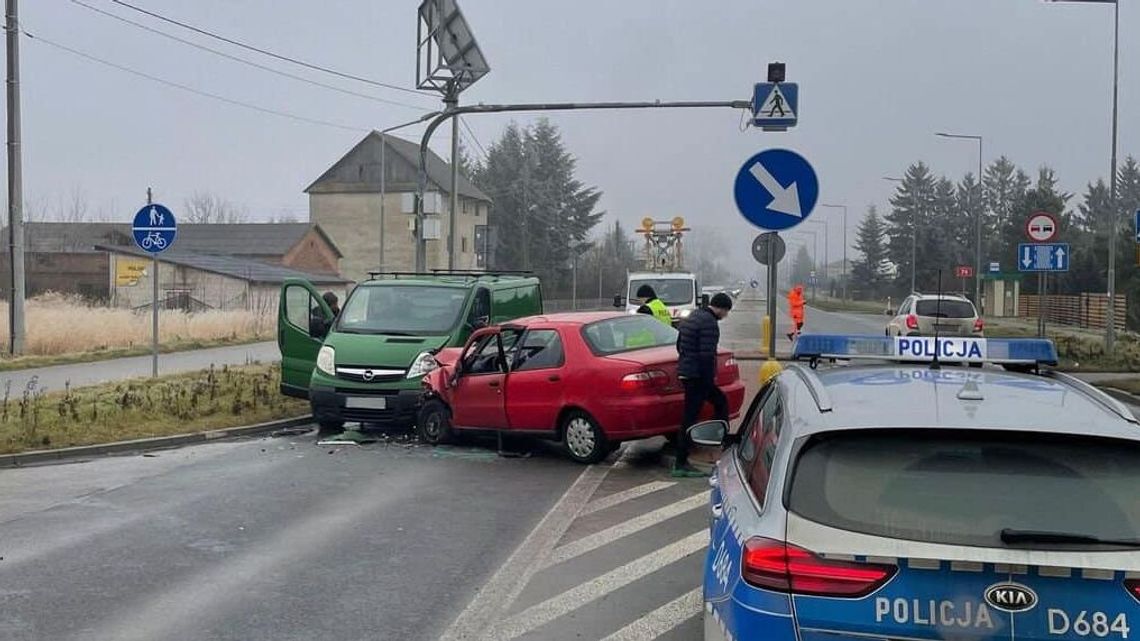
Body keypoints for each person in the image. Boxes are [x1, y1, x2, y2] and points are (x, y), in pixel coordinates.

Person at [673, 292, 733, 478]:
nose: (726, 316)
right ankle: (682, 462)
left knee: (715, 403)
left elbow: (679, 345)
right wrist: (708, 381)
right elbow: (707, 356)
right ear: (721, 308)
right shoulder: (710, 323)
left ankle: (713, 441)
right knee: (693, 415)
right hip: (698, 376)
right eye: (726, 312)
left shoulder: (694, 316)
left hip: (687, 372)